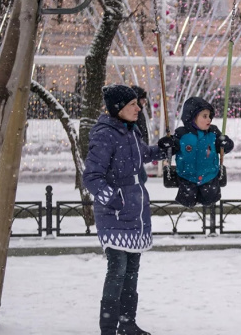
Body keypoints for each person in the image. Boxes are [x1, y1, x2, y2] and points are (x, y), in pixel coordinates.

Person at [84, 84, 174, 335]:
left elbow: (144, 154)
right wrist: (114, 200)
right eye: (132, 104)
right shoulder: (105, 134)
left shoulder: (130, 132)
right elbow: (91, 177)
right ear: (118, 108)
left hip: (136, 210)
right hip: (115, 213)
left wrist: (165, 148)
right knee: (118, 269)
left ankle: (127, 322)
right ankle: (108, 327)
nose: (138, 108)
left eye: (137, 103)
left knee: (132, 270)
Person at [171, 96, 234, 207]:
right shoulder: (181, 134)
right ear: (191, 117)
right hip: (187, 178)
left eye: (209, 116)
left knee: (210, 200)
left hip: (209, 177)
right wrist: (166, 144)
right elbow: (169, 149)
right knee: (187, 201)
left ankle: (211, 214)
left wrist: (225, 143)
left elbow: (225, 148)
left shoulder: (213, 132)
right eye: (204, 116)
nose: (209, 119)